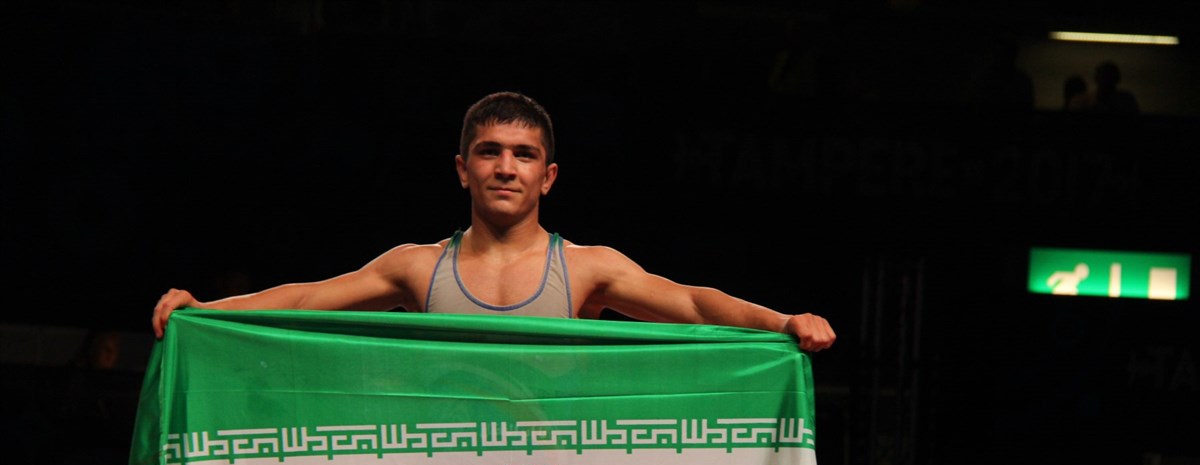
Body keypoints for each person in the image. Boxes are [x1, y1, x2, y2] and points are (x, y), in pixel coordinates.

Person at [152, 92, 835, 351]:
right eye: (489, 152)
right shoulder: (417, 266)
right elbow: (305, 301)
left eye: (523, 155)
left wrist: (781, 321)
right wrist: (206, 310)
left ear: (548, 176)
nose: (506, 168)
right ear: (462, 169)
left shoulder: (587, 269)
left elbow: (691, 304)